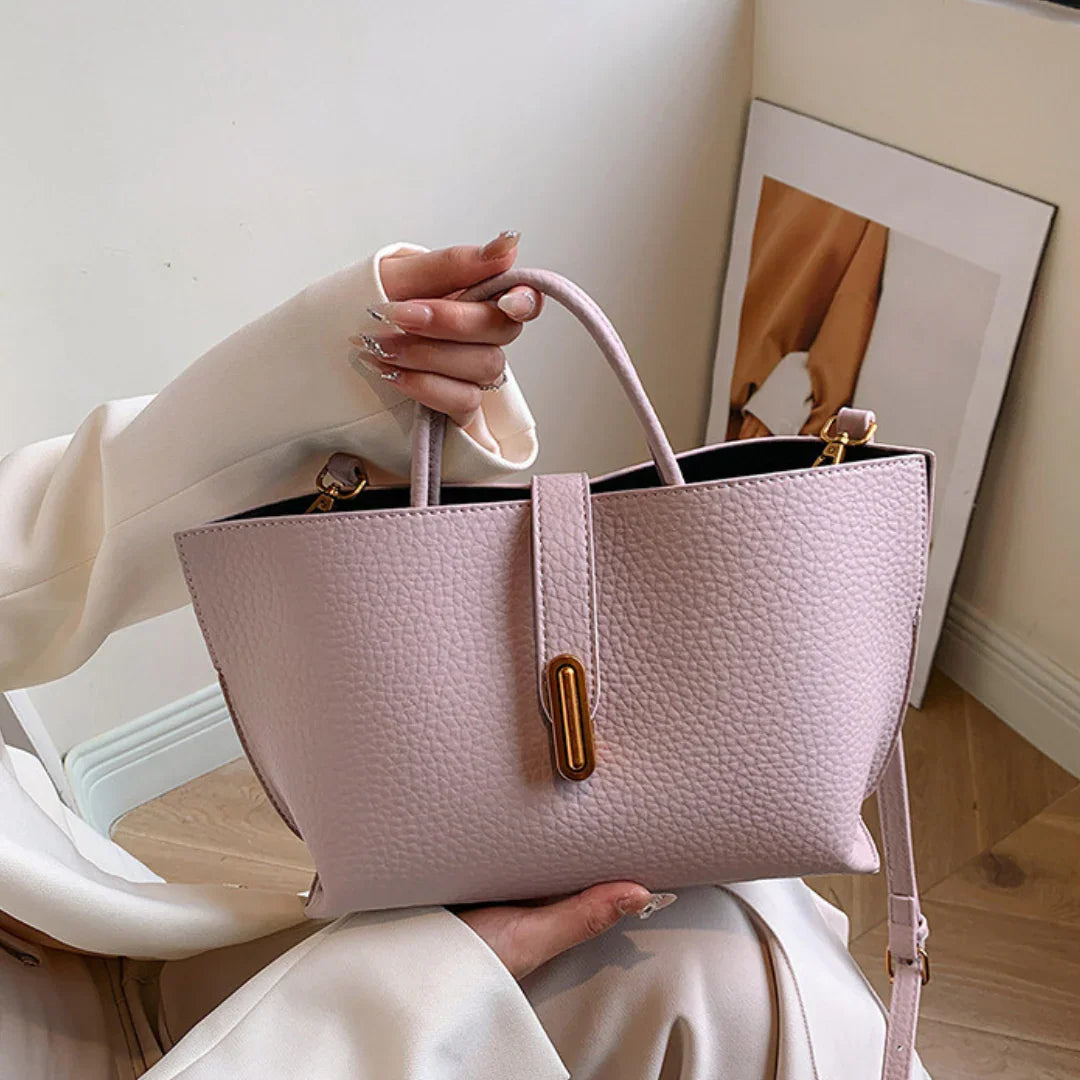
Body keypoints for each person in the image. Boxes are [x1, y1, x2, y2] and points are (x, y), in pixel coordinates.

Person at [0, 233, 928, 1078]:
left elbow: (37, 547)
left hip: (113, 941)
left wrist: (349, 366)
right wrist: (427, 984)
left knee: (737, 953)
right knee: (723, 959)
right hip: (255, 1048)